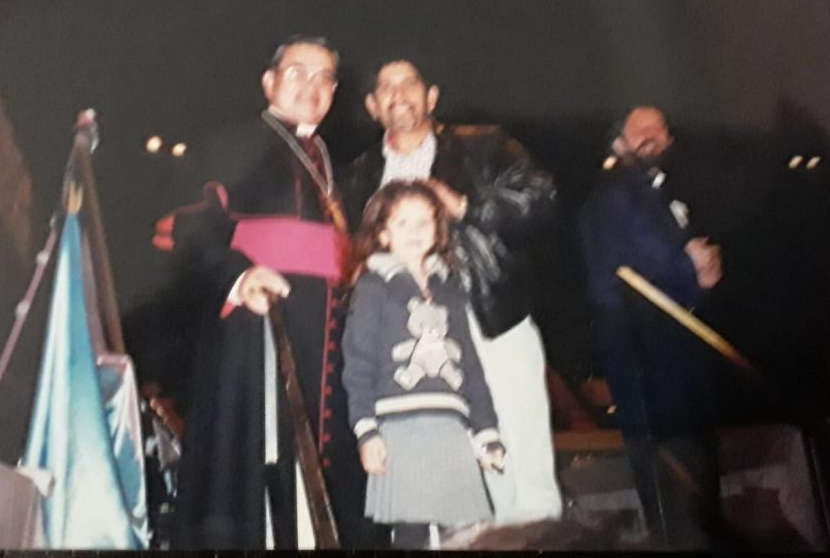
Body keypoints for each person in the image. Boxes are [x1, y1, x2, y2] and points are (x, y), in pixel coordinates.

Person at [155, 35, 369, 549]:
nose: (311, 86)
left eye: (324, 78)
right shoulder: (234, 142)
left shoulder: (332, 162)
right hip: (257, 334)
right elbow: (189, 225)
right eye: (298, 73)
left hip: (331, 342)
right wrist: (240, 276)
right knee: (255, 473)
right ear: (269, 82)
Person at [343, 59, 563, 525]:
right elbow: (354, 251)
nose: (398, 94)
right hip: (413, 340)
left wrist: (466, 205)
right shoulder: (359, 174)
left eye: (409, 83)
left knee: (520, 438)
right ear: (372, 105)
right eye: (385, 87)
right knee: (459, 457)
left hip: (489, 313)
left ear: (431, 96)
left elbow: (541, 198)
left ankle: (538, 532)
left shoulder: (484, 144)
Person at [580, 105, 724, 550]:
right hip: (640, 348)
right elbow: (635, 264)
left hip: (680, 346)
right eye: (639, 128)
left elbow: (686, 272)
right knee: (667, 463)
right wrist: (690, 265)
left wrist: (703, 276)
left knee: (698, 460)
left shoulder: (667, 196)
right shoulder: (612, 195)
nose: (652, 134)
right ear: (618, 143)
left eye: (659, 127)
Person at [342, 180, 505, 549]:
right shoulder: (373, 288)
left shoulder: (450, 291)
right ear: (383, 234)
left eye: (424, 222)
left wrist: (486, 431)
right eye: (403, 223)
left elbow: (471, 367)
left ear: (438, 229)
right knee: (413, 526)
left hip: (451, 425)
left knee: (468, 530)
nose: (415, 231)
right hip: (399, 427)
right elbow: (358, 363)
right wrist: (366, 431)